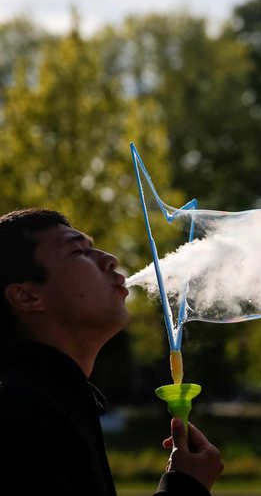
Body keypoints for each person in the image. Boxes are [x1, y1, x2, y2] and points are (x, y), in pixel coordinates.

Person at [0, 209, 224, 495]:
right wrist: (185, 487)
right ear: (27, 296)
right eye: (78, 251)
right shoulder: (22, 417)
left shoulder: (53, 401)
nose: (110, 260)